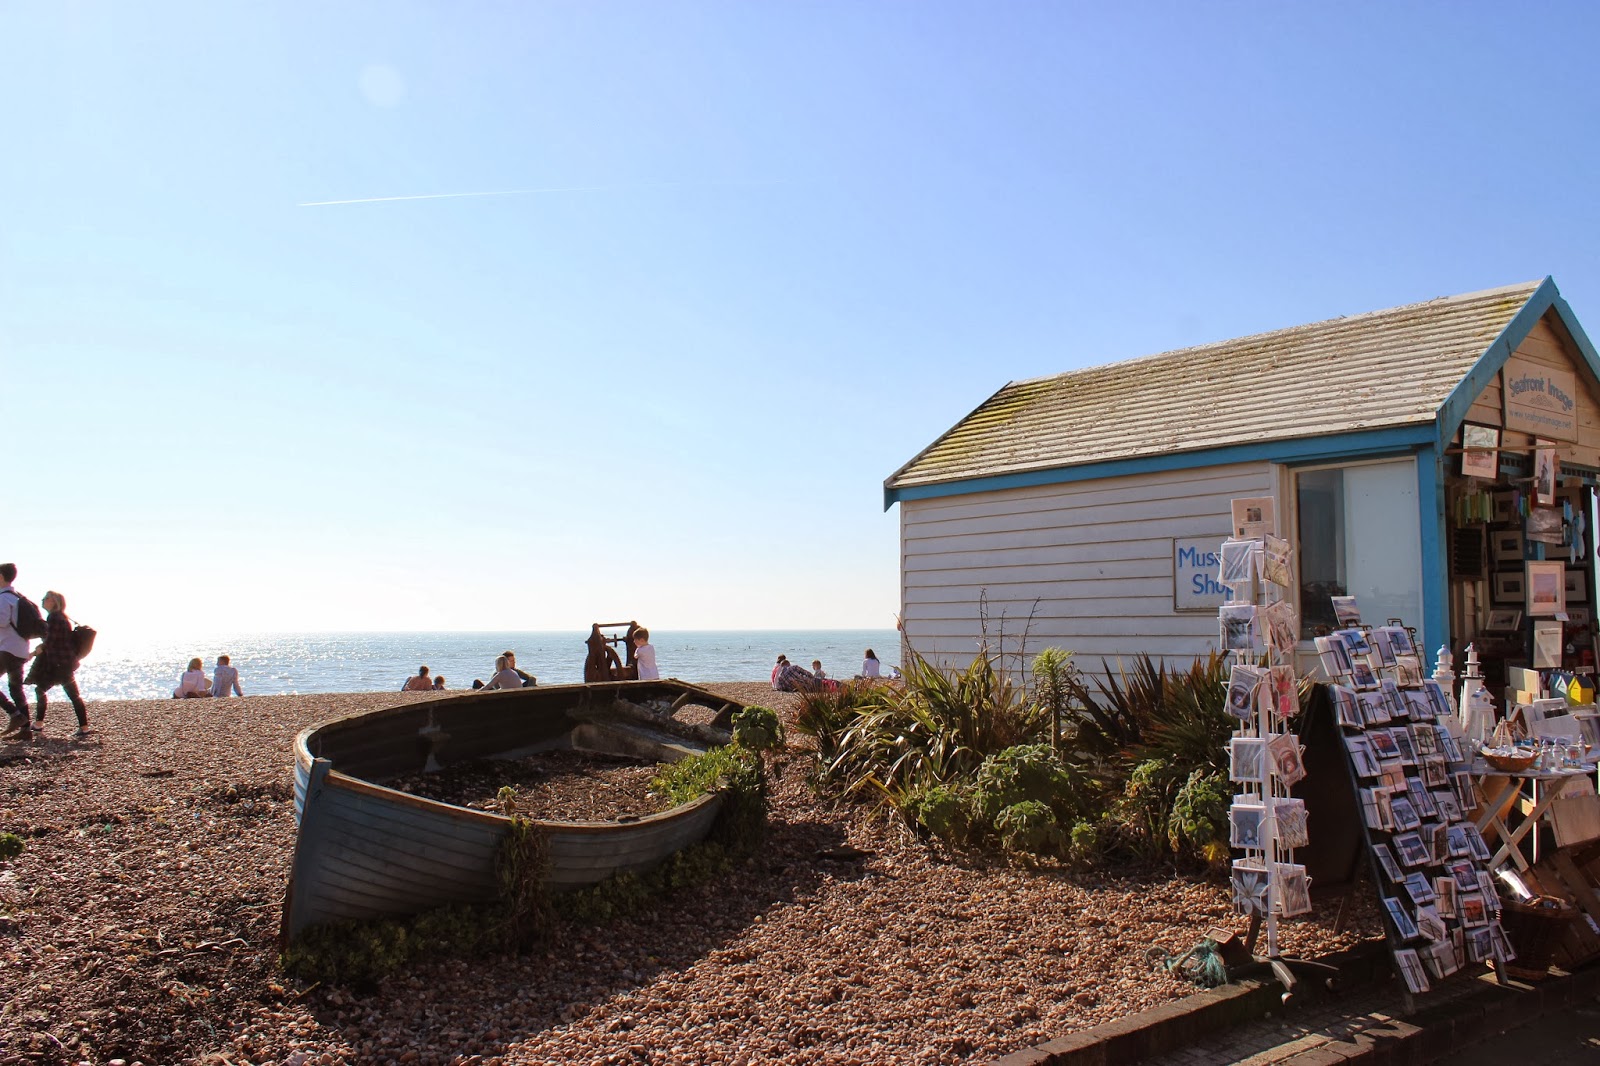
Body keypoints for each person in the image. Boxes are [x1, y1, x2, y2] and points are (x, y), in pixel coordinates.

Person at [26, 591, 90, 738]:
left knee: (66, 693)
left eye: (46, 598)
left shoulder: (54, 617)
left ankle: (83, 727)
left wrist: (35, 652)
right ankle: (40, 723)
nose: (43, 600)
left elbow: (51, 641)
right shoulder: (61, 617)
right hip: (63, 662)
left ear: (54, 602)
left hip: (59, 663)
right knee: (45, 690)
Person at [0, 563, 33, 738]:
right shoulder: (16, 597)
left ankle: (15, 715)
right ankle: (26, 730)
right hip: (20, 648)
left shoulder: (3, 598)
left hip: (7, 648)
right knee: (15, 688)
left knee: (15, 688)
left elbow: (2, 621)